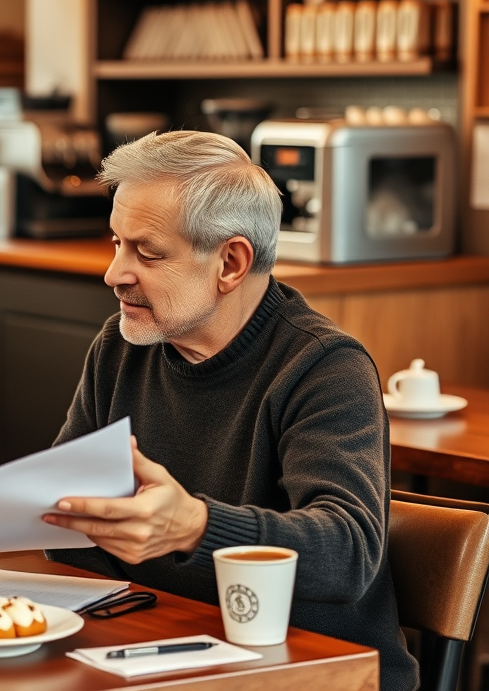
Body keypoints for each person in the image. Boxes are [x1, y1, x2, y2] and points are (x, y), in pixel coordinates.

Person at [40, 131, 418, 691]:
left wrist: (194, 526)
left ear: (231, 263)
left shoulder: (325, 368)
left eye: (146, 252)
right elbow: (67, 522)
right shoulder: (121, 348)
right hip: (161, 655)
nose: (114, 272)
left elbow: (348, 551)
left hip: (315, 674)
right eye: (116, 243)